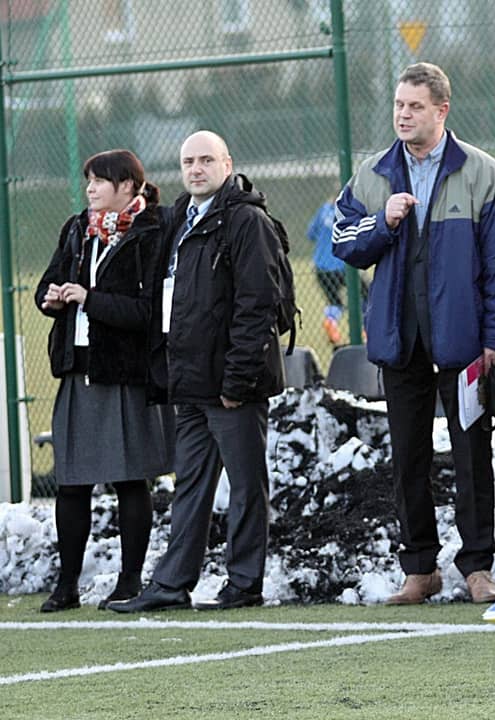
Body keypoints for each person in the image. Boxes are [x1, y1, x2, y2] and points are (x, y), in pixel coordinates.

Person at [331, 62, 495, 605]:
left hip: (464, 347)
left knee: (472, 459)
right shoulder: (373, 173)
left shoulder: (482, 171)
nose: (403, 115)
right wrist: (383, 221)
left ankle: (477, 568)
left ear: (442, 111)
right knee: (408, 461)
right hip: (400, 345)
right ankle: (419, 570)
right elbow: (342, 239)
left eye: (415, 106)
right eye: (399, 105)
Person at [110, 131, 286, 613]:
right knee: (189, 484)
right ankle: (171, 584)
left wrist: (238, 380)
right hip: (188, 382)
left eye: (207, 160)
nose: (196, 169)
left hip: (231, 385)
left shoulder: (246, 221)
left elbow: (258, 306)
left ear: (227, 164)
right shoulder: (179, 221)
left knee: (246, 485)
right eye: (188, 161)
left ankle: (244, 584)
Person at [35, 150, 175, 612]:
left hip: (125, 373)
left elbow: (149, 312)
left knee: (130, 480)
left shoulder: (152, 232)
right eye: (89, 181)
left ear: (128, 185)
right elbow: (47, 285)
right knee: (71, 482)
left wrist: (89, 299)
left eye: (99, 181)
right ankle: (67, 585)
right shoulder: (77, 229)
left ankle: (129, 581)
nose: (90, 189)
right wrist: (52, 298)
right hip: (77, 371)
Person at [306, 198, 347, 345]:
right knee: (367, 293)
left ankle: (331, 321)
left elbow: (311, 234)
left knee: (334, 301)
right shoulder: (348, 211)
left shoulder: (324, 209)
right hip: (342, 266)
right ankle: (366, 329)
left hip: (321, 267)